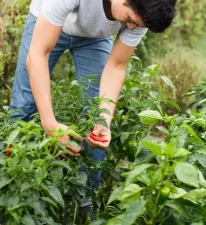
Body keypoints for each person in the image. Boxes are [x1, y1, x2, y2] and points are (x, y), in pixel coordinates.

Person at [9, 0, 177, 220]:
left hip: (94, 38)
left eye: (137, 24)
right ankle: (11, 185)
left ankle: (86, 202)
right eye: (130, 20)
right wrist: (49, 123)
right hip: (46, 20)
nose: (132, 27)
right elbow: (38, 54)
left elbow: (116, 66)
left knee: (96, 120)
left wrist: (104, 121)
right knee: (24, 108)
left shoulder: (141, 13)